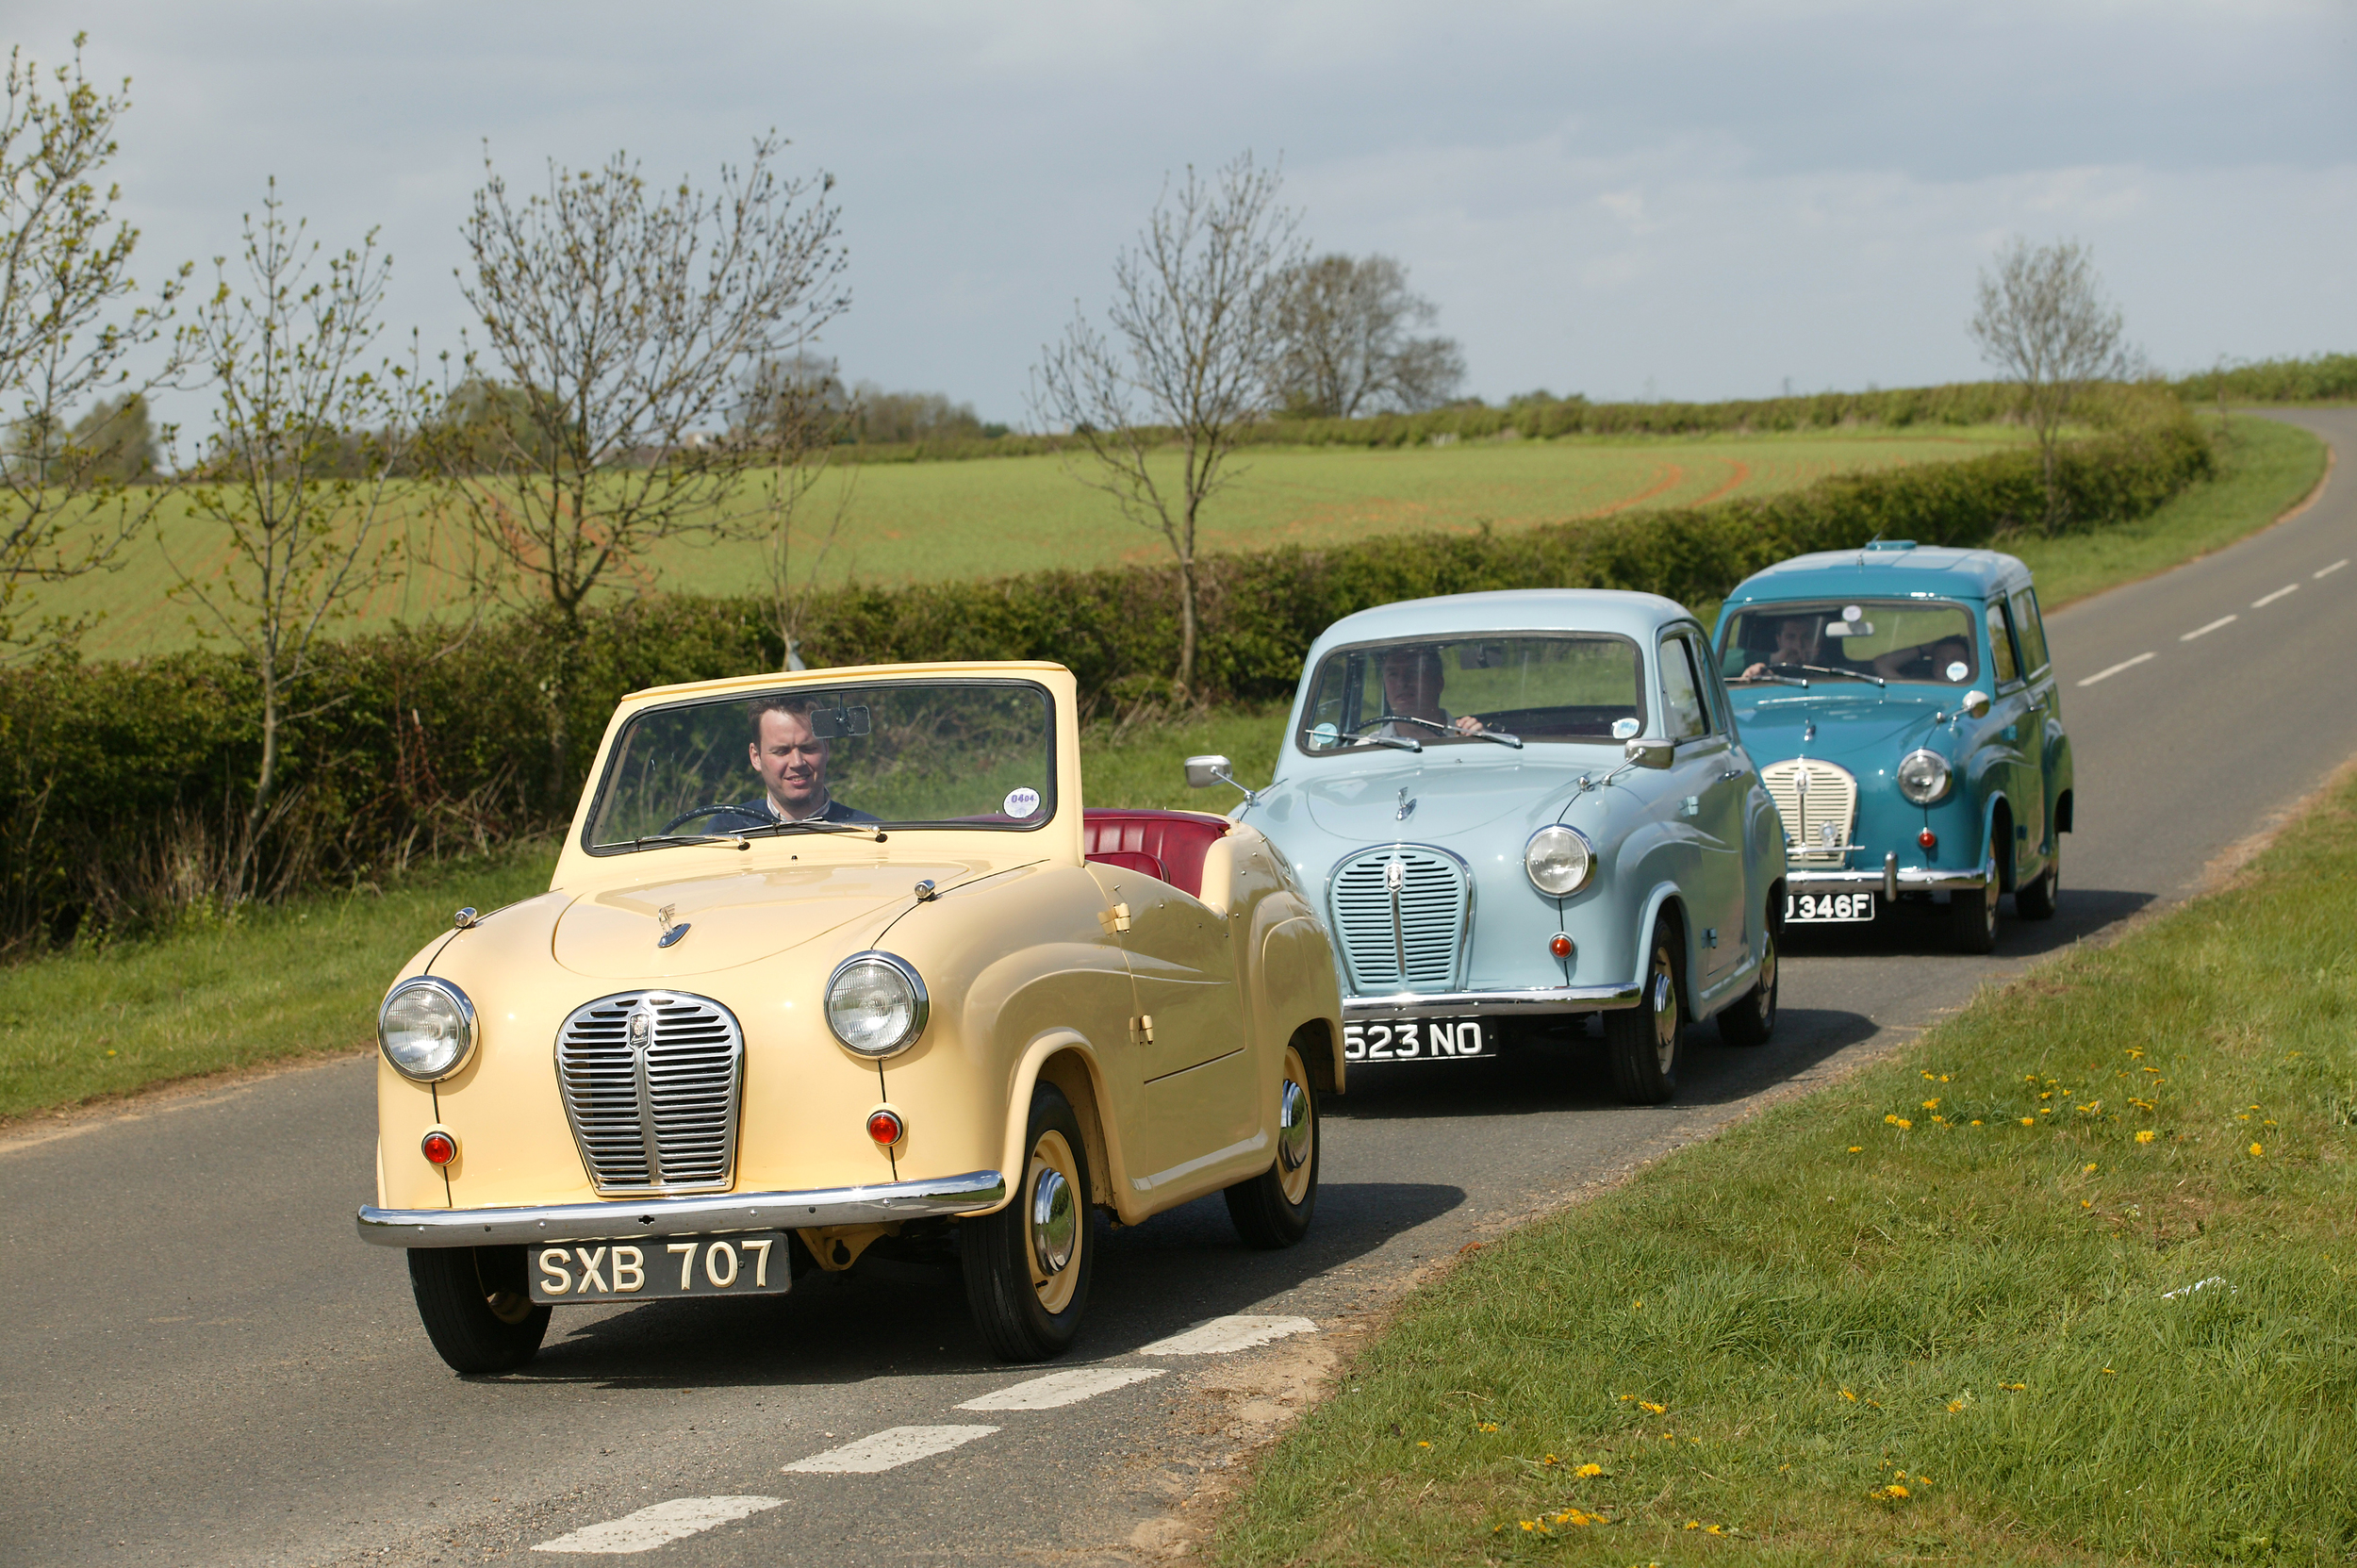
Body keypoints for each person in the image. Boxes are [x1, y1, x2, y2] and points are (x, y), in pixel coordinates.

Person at [704, 696, 878, 831]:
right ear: (756, 757)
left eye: (808, 748)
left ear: (826, 748)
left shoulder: (869, 833)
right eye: (781, 751)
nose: (797, 762)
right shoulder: (726, 832)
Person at [1374, 646, 1486, 737]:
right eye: (1393, 674)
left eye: (1413, 672)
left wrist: (1478, 742)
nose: (1401, 683)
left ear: (1438, 683)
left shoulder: (1470, 737)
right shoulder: (1368, 749)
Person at [1739, 615, 1826, 680]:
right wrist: (1759, 672)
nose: (1799, 644)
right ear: (1779, 641)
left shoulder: (1830, 670)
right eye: (1791, 637)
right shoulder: (1766, 673)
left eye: (1806, 637)